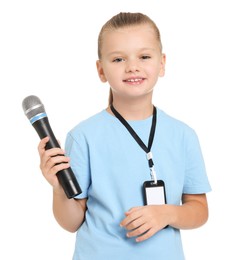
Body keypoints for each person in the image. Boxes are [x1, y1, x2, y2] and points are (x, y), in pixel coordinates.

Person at [38, 12, 211, 260]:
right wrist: (58, 189)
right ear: (101, 70)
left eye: (144, 56)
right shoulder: (83, 136)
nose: (132, 66)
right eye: (118, 58)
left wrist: (166, 213)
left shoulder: (184, 135)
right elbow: (71, 222)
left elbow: (200, 210)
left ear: (162, 63)